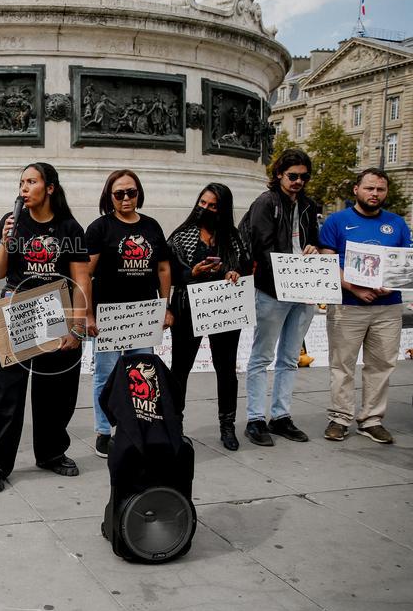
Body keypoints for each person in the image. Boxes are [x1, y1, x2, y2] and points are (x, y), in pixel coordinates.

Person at [0, 162, 91, 493]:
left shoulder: (70, 228)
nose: (24, 187)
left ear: (50, 188)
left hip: (56, 311)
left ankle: (51, 453)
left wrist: (77, 326)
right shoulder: (11, 222)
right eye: (21, 182)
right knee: (4, 392)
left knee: (56, 391)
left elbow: (81, 276)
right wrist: (4, 240)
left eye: (32, 181)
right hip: (16, 309)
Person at [319, 168, 411, 444]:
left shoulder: (397, 224)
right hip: (348, 305)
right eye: (369, 188)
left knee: (381, 364)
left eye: (380, 189)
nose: (375, 194)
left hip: (388, 306)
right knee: (342, 365)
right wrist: (353, 287)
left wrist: (391, 284)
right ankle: (339, 417)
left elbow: (405, 263)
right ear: (356, 190)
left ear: (386, 193)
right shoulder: (337, 221)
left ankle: (371, 419)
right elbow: (328, 260)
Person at [86, 169, 173, 458]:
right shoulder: (100, 228)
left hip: (143, 313)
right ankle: (103, 431)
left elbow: (163, 268)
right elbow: (86, 272)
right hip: (109, 314)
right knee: (105, 373)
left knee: (142, 373)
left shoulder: (151, 227)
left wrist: (166, 306)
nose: (126, 198)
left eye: (131, 192)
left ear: (139, 194)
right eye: (119, 193)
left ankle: (139, 427)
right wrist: (87, 315)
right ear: (109, 196)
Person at [241, 148, 320, 446]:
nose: (298, 181)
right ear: (278, 175)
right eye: (292, 176)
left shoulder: (309, 206)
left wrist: (313, 249)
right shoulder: (266, 202)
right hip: (273, 290)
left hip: (305, 289)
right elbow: (263, 245)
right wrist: (291, 267)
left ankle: (281, 416)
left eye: (303, 176)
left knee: (290, 358)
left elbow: (316, 240)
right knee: (262, 356)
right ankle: (255, 419)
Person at [167, 183, 251, 450]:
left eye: (212, 205)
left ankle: (227, 426)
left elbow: (244, 265)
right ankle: (174, 425)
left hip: (223, 308)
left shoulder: (233, 238)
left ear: (222, 209)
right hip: (188, 309)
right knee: (180, 368)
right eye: (202, 202)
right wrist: (193, 273)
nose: (205, 208)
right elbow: (170, 270)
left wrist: (233, 272)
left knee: (226, 369)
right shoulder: (182, 235)